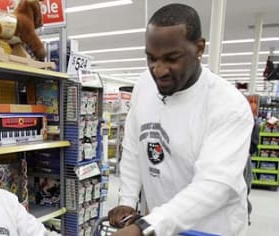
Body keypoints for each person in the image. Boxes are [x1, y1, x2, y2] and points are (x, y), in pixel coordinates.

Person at [108, 3, 254, 236]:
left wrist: (146, 227)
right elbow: (134, 147)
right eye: (151, 58)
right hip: (160, 224)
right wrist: (127, 199)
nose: (159, 70)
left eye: (172, 58)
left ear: (199, 48)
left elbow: (214, 185)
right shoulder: (144, 86)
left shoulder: (228, 105)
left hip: (211, 229)